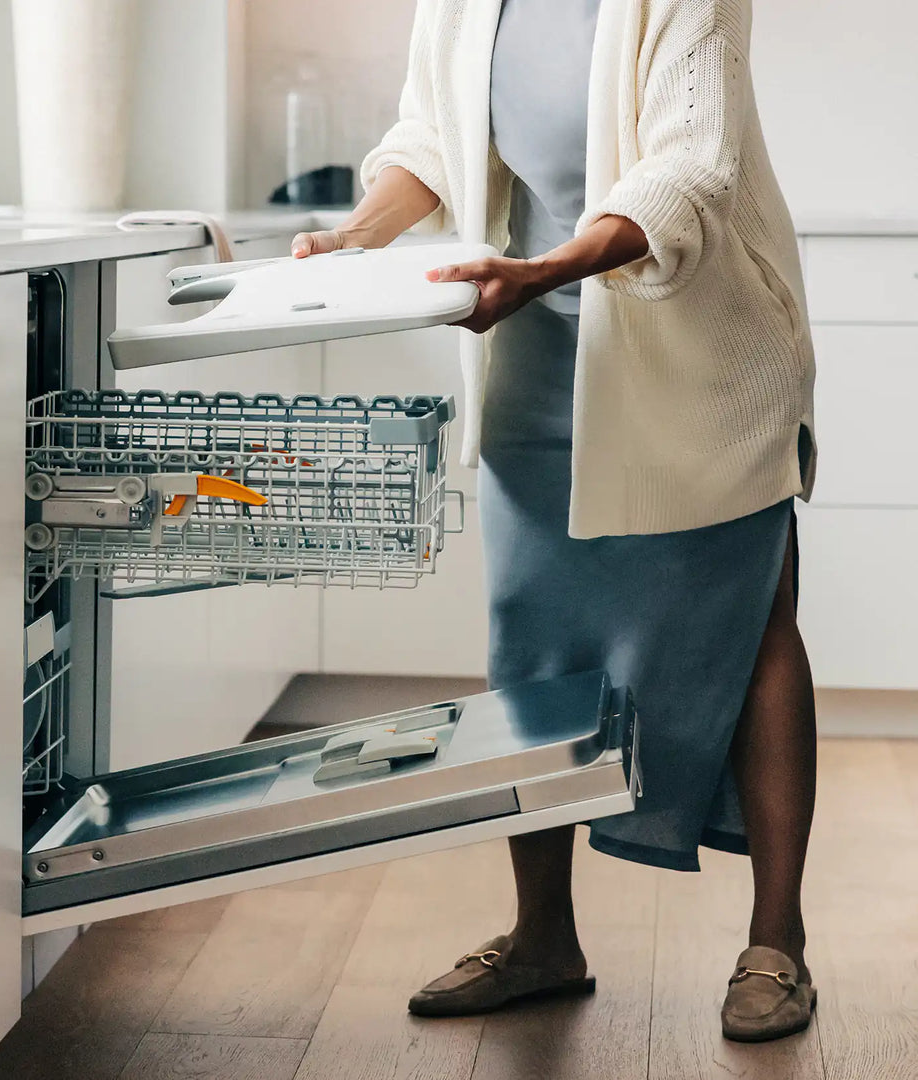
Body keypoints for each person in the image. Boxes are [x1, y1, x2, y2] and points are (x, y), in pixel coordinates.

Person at [292, 0, 818, 1043]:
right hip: (533, 356)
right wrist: (358, 233)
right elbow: (428, 141)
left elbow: (690, 169)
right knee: (530, 644)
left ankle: (778, 947)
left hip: (696, 351)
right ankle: (543, 937)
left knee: (752, 622)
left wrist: (542, 271)